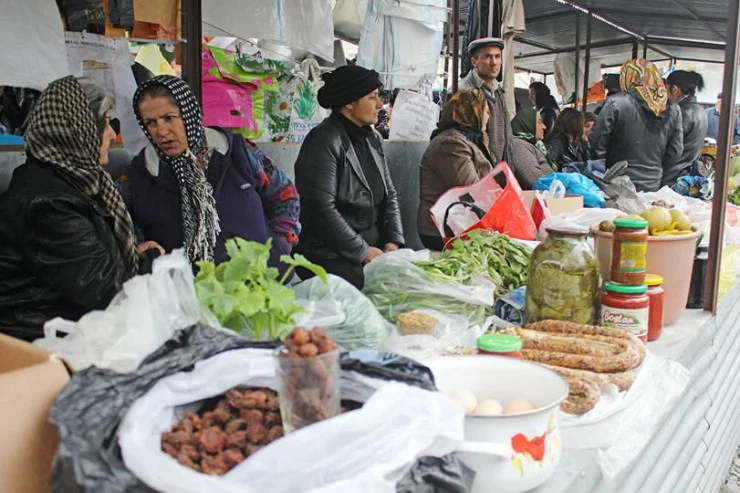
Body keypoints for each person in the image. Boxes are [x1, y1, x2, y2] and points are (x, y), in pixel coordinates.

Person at [0, 77, 139, 341]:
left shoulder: (73, 182)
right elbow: (104, 289)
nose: (111, 133)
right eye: (106, 122)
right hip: (40, 343)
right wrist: (154, 269)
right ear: (80, 128)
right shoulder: (48, 203)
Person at [121, 75, 299, 273]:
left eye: (169, 118)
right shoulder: (139, 176)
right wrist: (139, 244)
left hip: (262, 284)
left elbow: (285, 194)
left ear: (188, 114)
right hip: (194, 295)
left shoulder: (239, 153)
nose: (161, 131)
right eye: (151, 123)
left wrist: (280, 246)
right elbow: (118, 225)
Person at [294, 65, 405, 289]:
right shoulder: (324, 140)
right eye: (372, 97)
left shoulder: (372, 138)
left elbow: (389, 194)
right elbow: (321, 209)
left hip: (372, 250)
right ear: (349, 103)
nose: (380, 104)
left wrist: (393, 242)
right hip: (329, 256)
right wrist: (363, 251)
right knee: (388, 288)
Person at [589, 59, 683, 192]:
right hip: (653, 184)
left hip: (616, 183)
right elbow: (675, 151)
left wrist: (603, 172)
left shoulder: (615, 103)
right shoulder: (674, 109)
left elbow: (597, 143)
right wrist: (659, 173)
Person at [417, 89, 494, 250]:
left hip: (459, 224)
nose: (488, 117)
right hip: (442, 229)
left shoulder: (465, 139)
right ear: (473, 112)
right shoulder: (451, 143)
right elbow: (471, 189)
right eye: (486, 111)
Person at [458, 37, 514, 166]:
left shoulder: (499, 91)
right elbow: (461, 142)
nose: (494, 62)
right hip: (476, 170)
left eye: (497, 56)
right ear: (474, 61)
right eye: (488, 57)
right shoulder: (464, 92)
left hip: (497, 169)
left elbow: (507, 136)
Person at [664, 70, 709, 185]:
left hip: (673, 177)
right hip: (686, 173)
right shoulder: (700, 110)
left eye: (665, 89)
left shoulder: (682, 112)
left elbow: (672, 148)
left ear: (674, 89)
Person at [509, 108, 554, 189]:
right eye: (539, 122)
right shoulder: (520, 147)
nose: (544, 127)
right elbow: (536, 180)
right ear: (527, 123)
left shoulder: (532, 144)